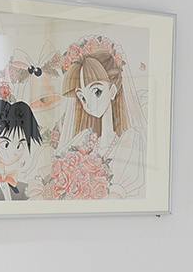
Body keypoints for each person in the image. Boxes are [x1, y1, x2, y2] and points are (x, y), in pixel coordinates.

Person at [54, 37, 145, 198]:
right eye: (83, 97)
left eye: (97, 92)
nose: (89, 103)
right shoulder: (84, 141)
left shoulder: (130, 141)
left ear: (113, 91)